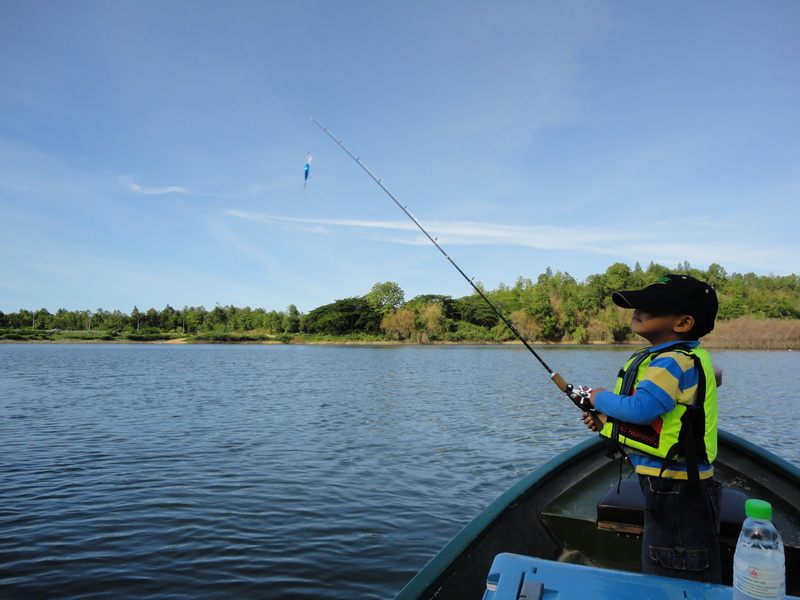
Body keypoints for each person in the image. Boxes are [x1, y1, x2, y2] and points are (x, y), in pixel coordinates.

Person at [582, 274, 722, 583]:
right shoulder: (683, 358)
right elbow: (660, 420)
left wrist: (597, 397)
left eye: (649, 307)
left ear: (684, 323)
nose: (636, 311)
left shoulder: (671, 362)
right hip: (675, 481)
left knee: (673, 566)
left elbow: (643, 411)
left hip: (674, 487)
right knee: (672, 556)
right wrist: (607, 424)